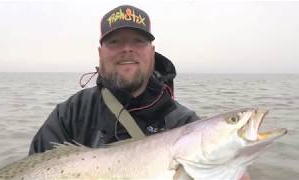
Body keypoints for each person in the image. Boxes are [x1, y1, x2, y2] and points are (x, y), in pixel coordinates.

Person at [28, 4, 250, 180]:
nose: (127, 49)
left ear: (152, 52)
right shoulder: (71, 113)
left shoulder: (183, 123)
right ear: (100, 53)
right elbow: (33, 166)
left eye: (138, 41)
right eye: (115, 42)